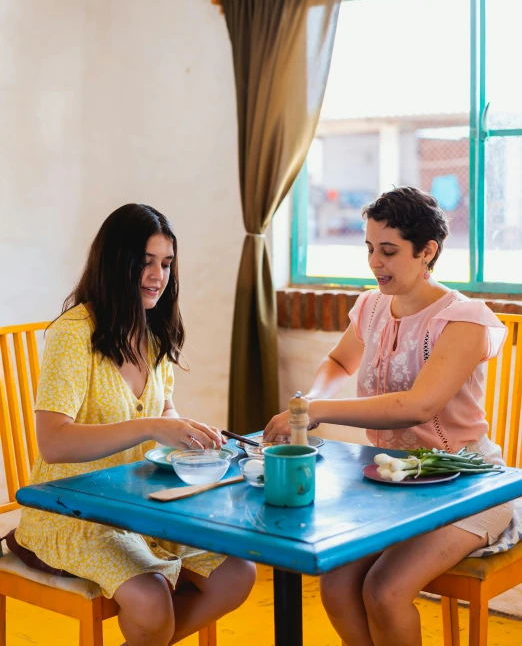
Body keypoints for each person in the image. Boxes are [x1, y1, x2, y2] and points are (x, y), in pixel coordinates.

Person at [264, 186, 517, 646]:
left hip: (469, 485)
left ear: (427, 252)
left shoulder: (465, 321)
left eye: (388, 251)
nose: (375, 263)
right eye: (369, 249)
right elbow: (340, 362)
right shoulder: (373, 305)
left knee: (385, 590)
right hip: (391, 483)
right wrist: (307, 404)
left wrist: (321, 411)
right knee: (338, 583)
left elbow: (417, 406)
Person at [16, 204, 255, 646]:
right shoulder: (74, 333)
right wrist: (150, 427)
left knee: (238, 572)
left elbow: (161, 411)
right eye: (145, 262)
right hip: (72, 511)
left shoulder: (154, 331)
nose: (158, 275)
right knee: (150, 602)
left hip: (141, 504)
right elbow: (52, 442)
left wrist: (181, 429)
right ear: (115, 261)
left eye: (165, 263)